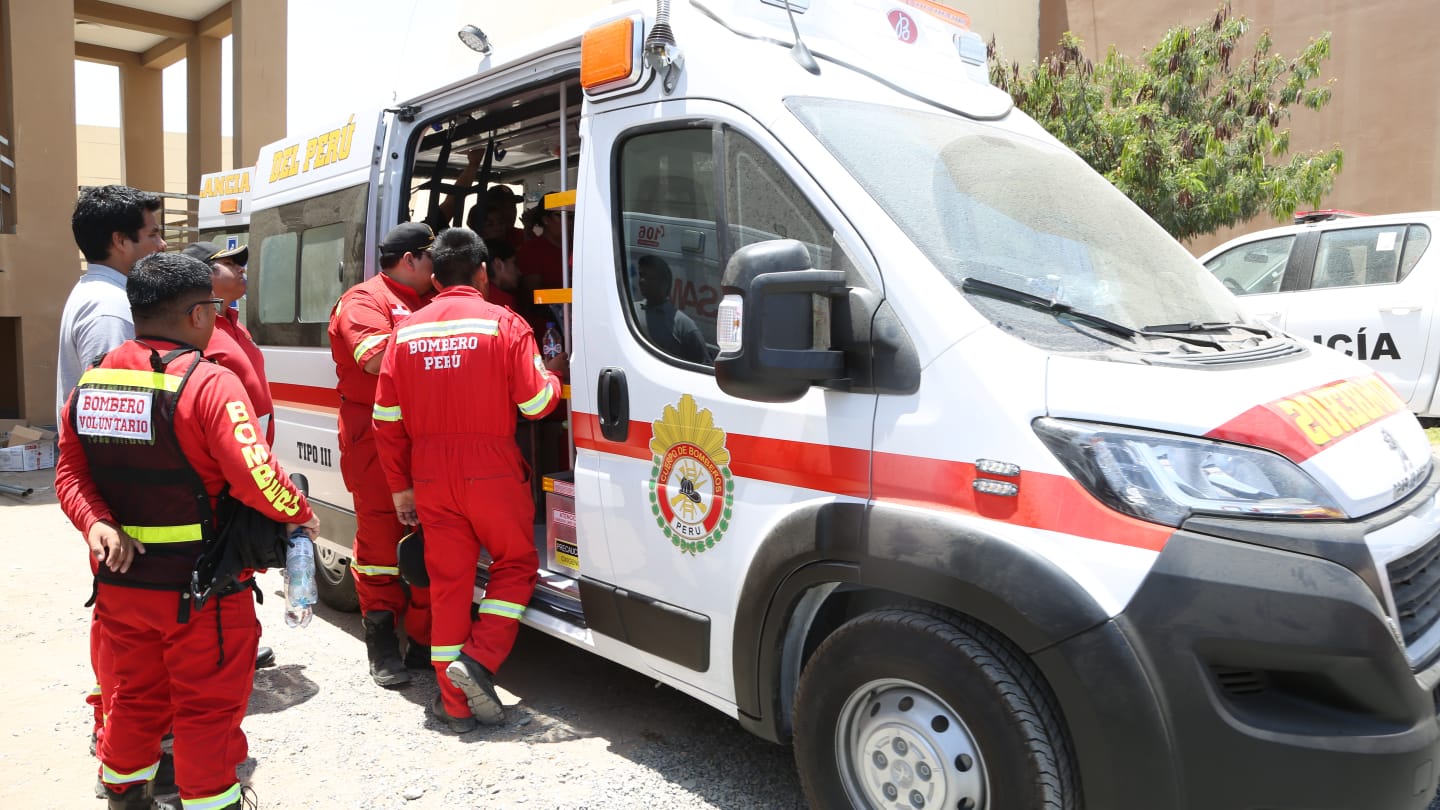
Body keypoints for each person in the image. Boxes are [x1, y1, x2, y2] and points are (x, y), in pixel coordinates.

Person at [55, 252, 317, 810]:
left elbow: (69, 472)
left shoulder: (92, 383)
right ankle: (210, 801)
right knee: (208, 709)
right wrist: (299, 511)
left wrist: (95, 521)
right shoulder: (210, 382)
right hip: (201, 592)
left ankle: (124, 797)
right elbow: (258, 477)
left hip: (122, 587)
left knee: (133, 699)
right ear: (201, 314)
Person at [371, 227, 564, 732]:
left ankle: (454, 707)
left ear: (433, 278)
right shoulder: (504, 323)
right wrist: (554, 375)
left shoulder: (406, 331)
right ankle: (477, 662)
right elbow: (536, 405)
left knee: (450, 584)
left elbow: (385, 421)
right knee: (516, 564)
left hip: (431, 474)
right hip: (492, 469)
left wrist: (400, 485)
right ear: (482, 273)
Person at [327, 222, 436, 687]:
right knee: (380, 544)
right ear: (410, 259)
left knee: (430, 542)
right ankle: (382, 644)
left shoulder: (430, 298)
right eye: (431, 256)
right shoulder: (363, 300)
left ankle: (424, 642)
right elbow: (373, 359)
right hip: (373, 435)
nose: (438, 265)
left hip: (424, 435)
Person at [58, 185, 166, 426]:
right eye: (153, 235)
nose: (162, 244)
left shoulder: (103, 294)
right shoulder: (110, 307)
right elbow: (113, 412)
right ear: (120, 240)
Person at [183, 241, 275, 445]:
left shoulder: (237, 323)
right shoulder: (196, 329)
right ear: (203, 274)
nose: (241, 268)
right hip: (226, 450)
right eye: (229, 263)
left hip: (253, 450)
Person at [637, 254, 709, 364]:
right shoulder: (630, 312)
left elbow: (704, 366)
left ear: (664, 283)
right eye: (641, 275)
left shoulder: (684, 326)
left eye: (649, 277)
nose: (642, 280)